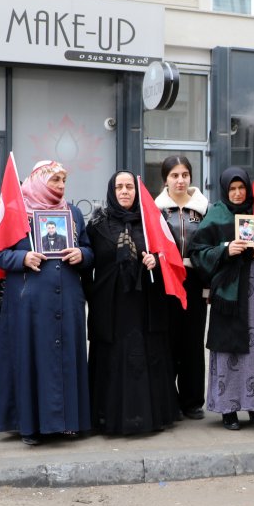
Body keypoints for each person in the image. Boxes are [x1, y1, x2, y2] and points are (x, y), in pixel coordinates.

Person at [0, 161, 93, 445]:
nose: (61, 186)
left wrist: (82, 255)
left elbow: (89, 248)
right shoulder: (15, 210)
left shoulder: (72, 212)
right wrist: (21, 258)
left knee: (65, 359)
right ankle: (31, 427)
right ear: (38, 180)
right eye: (55, 180)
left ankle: (67, 423)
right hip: (29, 302)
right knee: (32, 359)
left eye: (63, 180)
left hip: (68, 298)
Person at [85, 171, 179, 435]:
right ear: (111, 191)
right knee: (112, 357)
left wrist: (156, 262)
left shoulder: (153, 221)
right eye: (119, 187)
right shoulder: (97, 225)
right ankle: (107, 416)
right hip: (111, 305)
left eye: (129, 187)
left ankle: (150, 416)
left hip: (145, 304)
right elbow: (87, 264)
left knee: (146, 354)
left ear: (138, 191)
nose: (124, 191)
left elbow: (171, 257)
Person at [189, 167, 254, 431]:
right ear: (224, 189)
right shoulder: (216, 214)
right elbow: (198, 253)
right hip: (229, 295)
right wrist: (225, 249)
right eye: (233, 188)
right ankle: (228, 409)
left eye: (242, 187)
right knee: (229, 349)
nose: (238, 193)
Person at [155, 155, 209, 420]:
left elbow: (211, 248)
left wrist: (208, 287)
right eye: (174, 175)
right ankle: (168, 399)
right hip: (167, 280)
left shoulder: (203, 208)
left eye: (184, 175)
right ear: (165, 179)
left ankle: (192, 401)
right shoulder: (155, 209)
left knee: (193, 341)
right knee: (167, 341)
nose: (180, 180)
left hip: (195, 280)